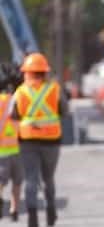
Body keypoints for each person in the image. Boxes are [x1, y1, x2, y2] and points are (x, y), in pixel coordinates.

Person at [11, 53, 63, 227]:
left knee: (31, 179)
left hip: (28, 141)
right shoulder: (55, 89)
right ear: (44, 72)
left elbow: (14, 115)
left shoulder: (20, 92)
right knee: (48, 178)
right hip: (51, 141)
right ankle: (51, 212)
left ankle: (32, 219)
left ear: (27, 72)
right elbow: (65, 110)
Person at [0, 63, 23, 222]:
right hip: (17, 148)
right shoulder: (18, 100)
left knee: (1, 181)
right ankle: (14, 208)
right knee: (17, 181)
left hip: (1, 150)